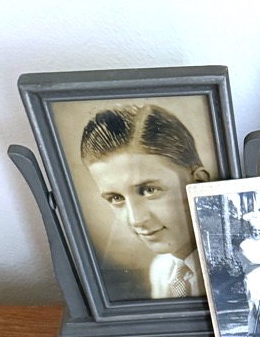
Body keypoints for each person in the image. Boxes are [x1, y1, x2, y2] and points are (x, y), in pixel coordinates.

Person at [80, 105, 210, 300]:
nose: (136, 220)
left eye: (149, 190)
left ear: (198, 184)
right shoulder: (161, 269)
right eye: (116, 198)